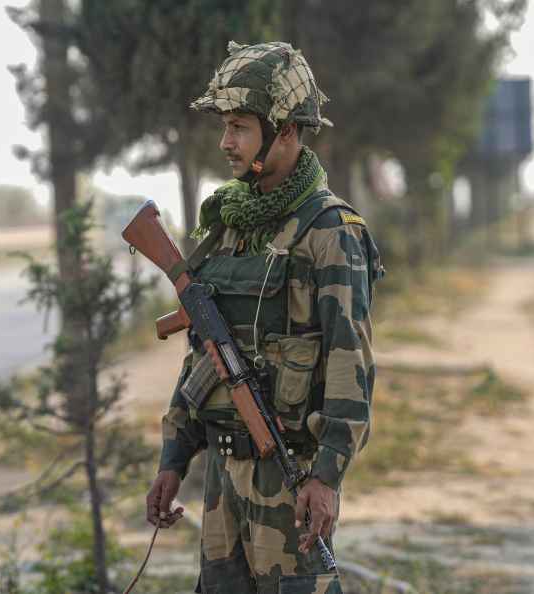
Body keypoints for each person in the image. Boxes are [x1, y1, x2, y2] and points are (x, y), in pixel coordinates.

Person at [144, 41, 382, 594]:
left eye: (241, 127)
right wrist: (173, 458)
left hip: (289, 477)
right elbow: (202, 355)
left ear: (288, 131)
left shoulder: (330, 232)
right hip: (222, 481)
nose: (226, 141)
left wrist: (326, 476)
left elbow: (352, 365)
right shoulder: (228, 226)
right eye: (225, 126)